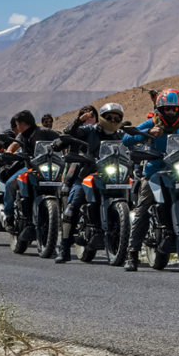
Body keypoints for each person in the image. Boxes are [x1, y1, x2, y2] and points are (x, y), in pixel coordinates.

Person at [119, 90, 179, 272]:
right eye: (167, 109)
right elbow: (126, 139)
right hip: (155, 170)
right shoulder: (151, 122)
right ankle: (132, 253)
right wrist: (147, 133)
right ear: (159, 109)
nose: (171, 112)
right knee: (142, 209)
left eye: (174, 109)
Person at [56, 103, 129, 262]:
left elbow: (132, 145)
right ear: (102, 118)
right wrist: (78, 120)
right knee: (71, 208)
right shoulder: (90, 130)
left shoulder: (120, 135)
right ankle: (64, 247)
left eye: (116, 118)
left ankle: (127, 246)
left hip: (113, 176)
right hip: (87, 174)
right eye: (109, 117)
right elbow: (70, 133)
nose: (112, 120)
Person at [0, 110, 42, 242]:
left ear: (22, 124)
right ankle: (9, 216)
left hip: (47, 168)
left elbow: (59, 142)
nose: (17, 128)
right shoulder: (22, 136)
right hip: (28, 168)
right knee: (11, 183)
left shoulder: (45, 132)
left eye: (17, 124)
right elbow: (12, 147)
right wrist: (10, 153)